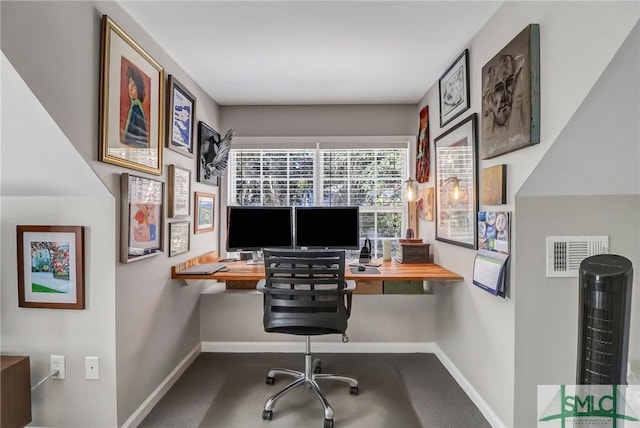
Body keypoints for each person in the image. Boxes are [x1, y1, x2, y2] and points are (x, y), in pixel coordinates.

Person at [122, 66, 148, 148]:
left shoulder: (136, 108)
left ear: (139, 89)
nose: (130, 88)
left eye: (134, 86)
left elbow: (139, 137)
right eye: (130, 83)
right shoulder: (134, 107)